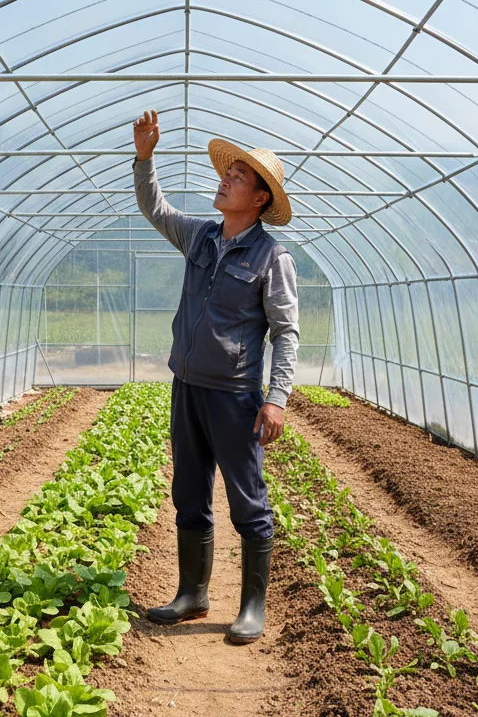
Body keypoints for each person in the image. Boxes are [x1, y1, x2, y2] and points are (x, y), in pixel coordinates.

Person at [132, 109, 299, 644]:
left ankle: (252, 607)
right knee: (188, 491)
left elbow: (286, 333)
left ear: (259, 200)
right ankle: (192, 594)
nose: (225, 179)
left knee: (248, 498)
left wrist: (276, 399)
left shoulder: (272, 257)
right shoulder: (200, 237)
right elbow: (154, 208)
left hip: (236, 395)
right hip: (188, 386)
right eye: (229, 173)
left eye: (239, 177)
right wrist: (144, 157)